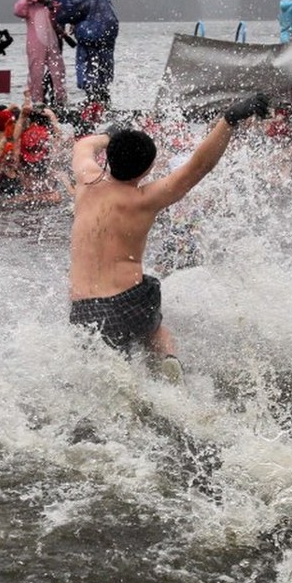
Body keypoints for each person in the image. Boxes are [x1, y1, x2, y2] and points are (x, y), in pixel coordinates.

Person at [68, 93, 269, 381]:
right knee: (154, 328)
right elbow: (198, 167)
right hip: (129, 303)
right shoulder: (144, 199)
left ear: (109, 157)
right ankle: (168, 359)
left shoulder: (87, 179)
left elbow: (83, 145)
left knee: (108, 372)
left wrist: (109, 136)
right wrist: (228, 120)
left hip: (84, 310)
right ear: (148, 168)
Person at [57, 0, 119, 106]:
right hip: (108, 38)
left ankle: (92, 100)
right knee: (104, 69)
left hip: (91, 36)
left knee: (87, 68)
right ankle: (103, 101)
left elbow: (66, 13)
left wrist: (54, 7)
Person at [14, 0, 68, 106]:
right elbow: (17, 11)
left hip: (52, 43)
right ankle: (37, 100)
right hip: (36, 44)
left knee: (58, 70)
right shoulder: (30, 6)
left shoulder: (51, 7)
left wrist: (61, 31)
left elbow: (56, 21)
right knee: (36, 71)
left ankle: (60, 99)